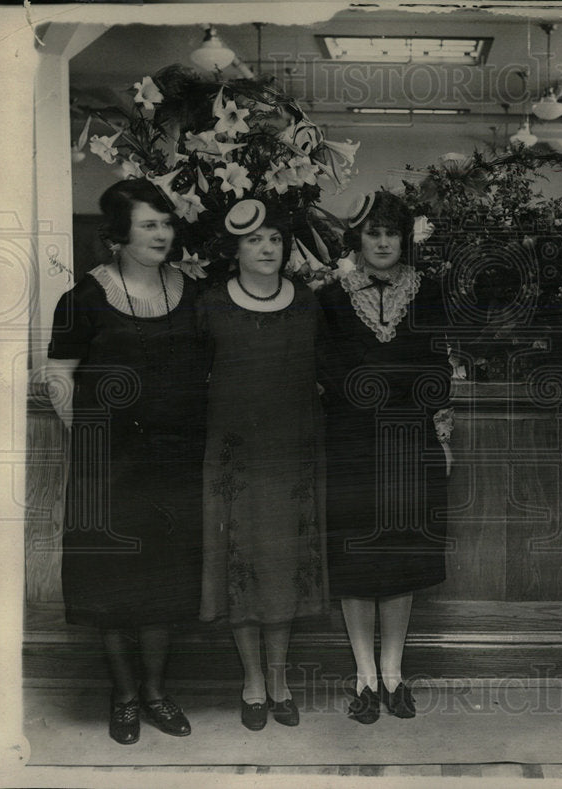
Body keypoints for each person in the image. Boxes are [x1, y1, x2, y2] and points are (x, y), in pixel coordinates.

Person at [45, 178, 207, 745]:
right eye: (148, 225)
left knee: (164, 584)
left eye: (166, 223)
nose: (162, 234)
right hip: (108, 471)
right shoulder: (83, 299)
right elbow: (59, 375)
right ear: (118, 235)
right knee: (112, 586)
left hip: (174, 466)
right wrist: (87, 436)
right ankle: (125, 697)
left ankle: (158, 695)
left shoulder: (190, 292)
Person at [318, 190, 452, 724]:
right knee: (356, 561)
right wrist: (393, 382)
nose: (381, 242)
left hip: (411, 441)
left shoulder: (430, 293)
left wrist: (435, 426)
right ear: (358, 239)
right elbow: (330, 375)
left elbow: (438, 369)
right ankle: (364, 676)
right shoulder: (329, 298)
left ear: (405, 239)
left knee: (400, 559)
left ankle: (394, 673)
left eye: (390, 233)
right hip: (351, 444)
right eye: (372, 233)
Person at [199, 199, 327, 731]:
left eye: (274, 238)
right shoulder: (209, 306)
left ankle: (279, 680)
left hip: (292, 460)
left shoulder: (308, 306)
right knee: (240, 565)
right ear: (234, 250)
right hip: (232, 460)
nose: (267, 248)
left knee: (281, 569)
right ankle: (251, 681)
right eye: (254, 240)